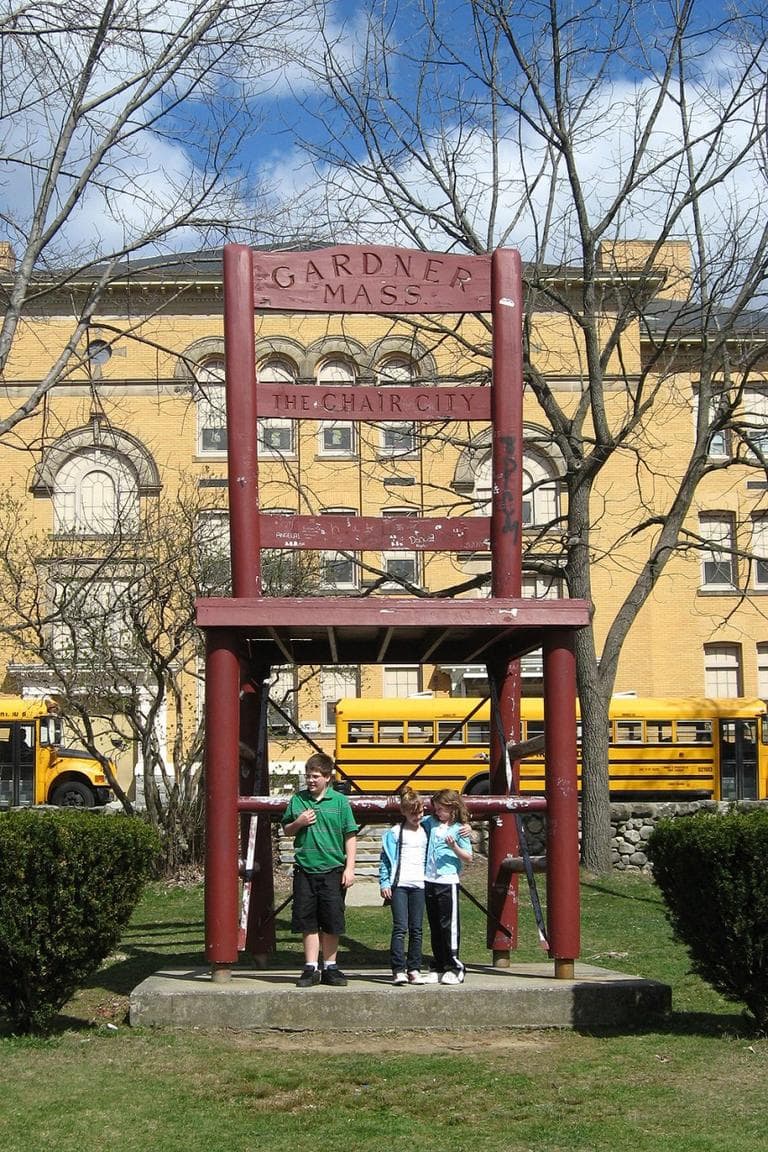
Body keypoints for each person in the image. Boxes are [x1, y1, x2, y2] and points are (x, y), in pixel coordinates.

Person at [281, 752, 358, 988]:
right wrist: (299, 822)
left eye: (315, 776)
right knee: (307, 921)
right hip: (305, 869)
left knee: (332, 920)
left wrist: (350, 868)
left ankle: (331, 966)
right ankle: (311, 967)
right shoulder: (298, 800)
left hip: (333, 869)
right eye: (308, 776)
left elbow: (350, 835)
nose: (310, 781)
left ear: (327, 777)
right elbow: (287, 830)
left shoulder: (340, 802)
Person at [422, 788, 473, 985]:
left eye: (441, 809)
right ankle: (439, 964)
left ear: (452, 809)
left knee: (448, 925)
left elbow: (468, 857)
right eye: (436, 809)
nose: (438, 813)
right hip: (430, 879)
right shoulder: (432, 823)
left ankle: (455, 965)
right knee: (435, 924)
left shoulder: (459, 829)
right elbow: (416, 818)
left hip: (447, 880)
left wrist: (454, 847)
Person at [379, 786, 428, 985]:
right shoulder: (395, 833)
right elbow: (385, 860)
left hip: (420, 884)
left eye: (420, 812)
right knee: (400, 927)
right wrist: (384, 882)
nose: (417, 816)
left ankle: (414, 968)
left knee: (417, 928)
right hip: (399, 884)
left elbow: (448, 824)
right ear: (404, 812)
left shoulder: (427, 829)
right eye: (413, 813)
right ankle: (398, 969)